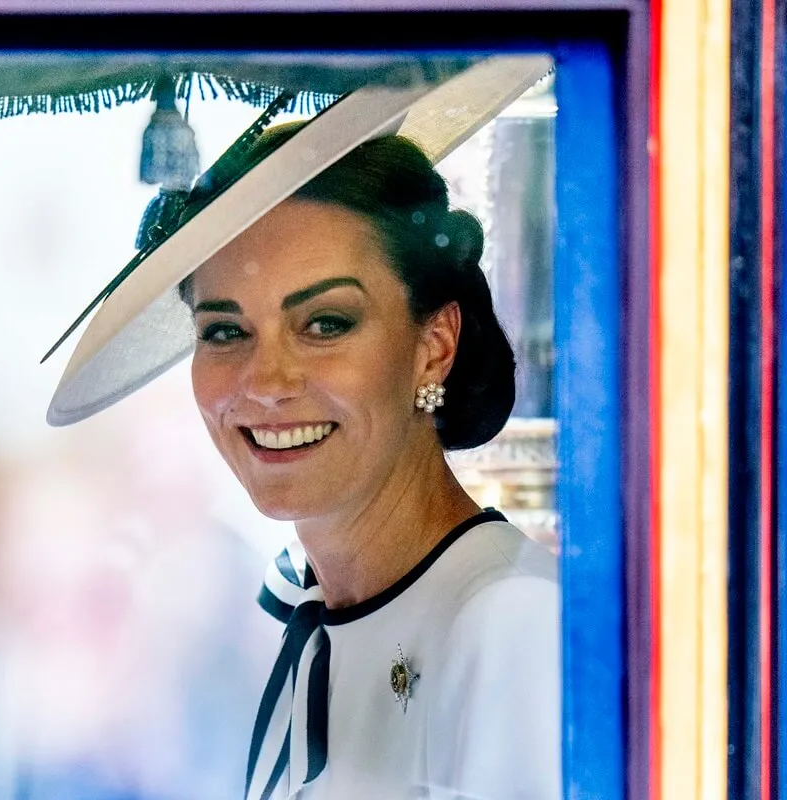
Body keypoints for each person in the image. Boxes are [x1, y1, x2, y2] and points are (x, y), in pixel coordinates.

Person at [44, 56, 559, 800]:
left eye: (325, 323)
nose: (265, 383)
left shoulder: (510, 625)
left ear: (433, 345)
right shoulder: (311, 630)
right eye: (224, 332)